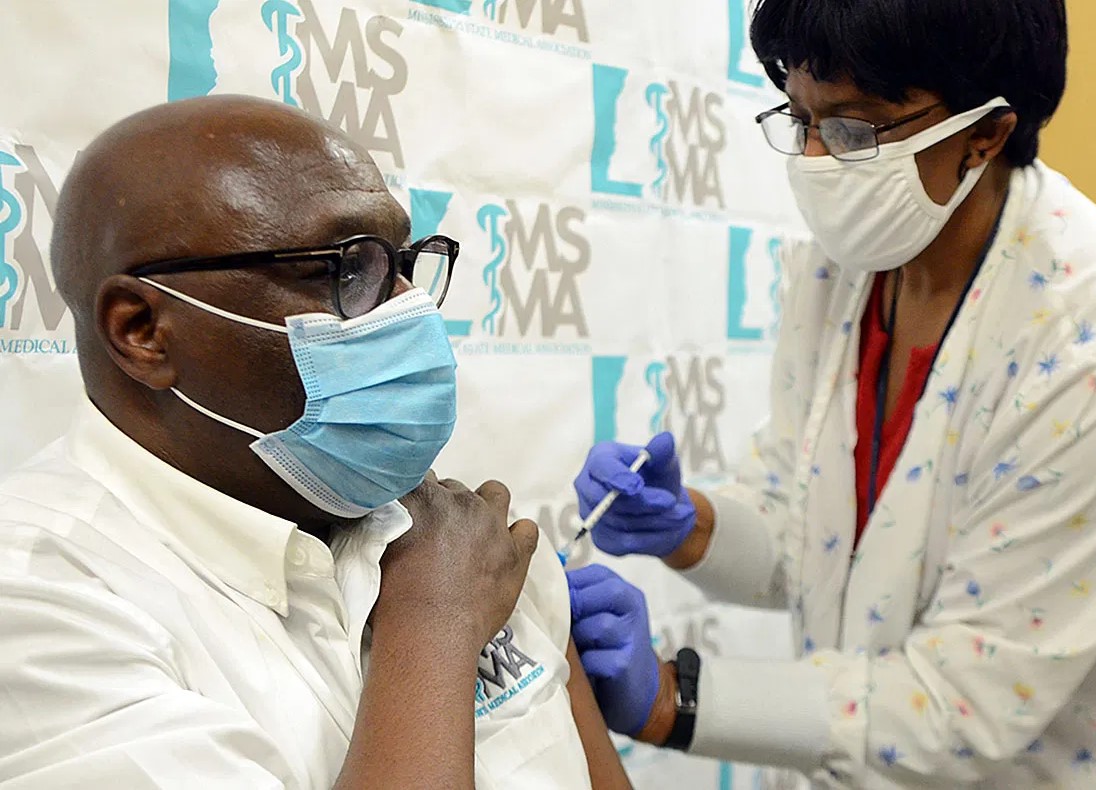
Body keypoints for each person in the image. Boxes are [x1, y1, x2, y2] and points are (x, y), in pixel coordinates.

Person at [567, 0, 1096, 786]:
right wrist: (690, 525)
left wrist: (673, 701)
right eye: (799, 119)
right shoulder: (845, 268)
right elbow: (809, 536)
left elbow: (963, 700)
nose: (814, 159)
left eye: (852, 129)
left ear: (985, 134)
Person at [0, 95, 629, 789]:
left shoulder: (453, 534)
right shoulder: (36, 604)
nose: (407, 307)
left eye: (399, 262)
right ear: (142, 330)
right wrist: (433, 627)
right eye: (345, 269)